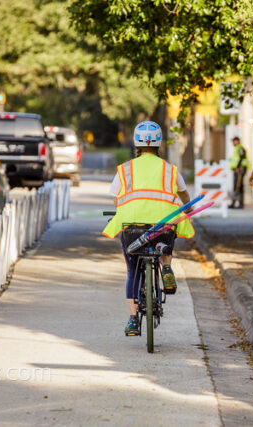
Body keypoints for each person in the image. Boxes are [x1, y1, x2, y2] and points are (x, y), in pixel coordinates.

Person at [103, 121, 195, 336]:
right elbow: (184, 195)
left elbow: (117, 199)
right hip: (162, 225)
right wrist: (186, 203)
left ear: (136, 143)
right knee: (164, 242)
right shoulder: (170, 170)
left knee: (133, 271)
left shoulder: (125, 169)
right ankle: (166, 267)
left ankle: (133, 319)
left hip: (132, 227)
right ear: (159, 143)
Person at [229, 136, 249, 209]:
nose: (233, 143)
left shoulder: (240, 148)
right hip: (239, 169)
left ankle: (237, 203)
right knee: (238, 186)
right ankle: (236, 203)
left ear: (237, 141)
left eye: (234, 141)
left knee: (238, 186)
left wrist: (237, 167)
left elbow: (242, 157)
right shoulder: (237, 148)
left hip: (240, 169)